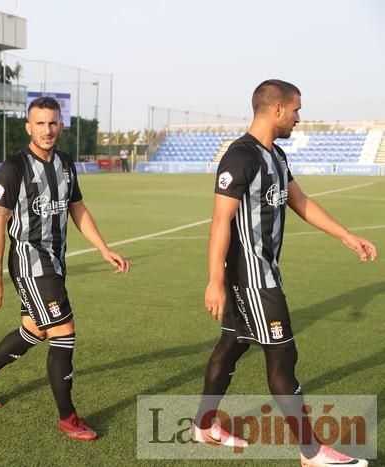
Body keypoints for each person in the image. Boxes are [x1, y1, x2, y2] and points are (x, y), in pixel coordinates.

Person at [191, 80, 377, 466]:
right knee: (283, 356)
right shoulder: (240, 156)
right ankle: (311, 452)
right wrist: (214, 279)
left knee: (232, 344)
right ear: (276, 110)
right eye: (295, 110)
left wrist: (346, 235)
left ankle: (203, 426)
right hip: (252, 278)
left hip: (265, 273)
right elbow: (220, 221)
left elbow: (300, 201)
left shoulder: (276, 156)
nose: (298, 118)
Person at [0, 96, 130, 441]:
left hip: (55, 261)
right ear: (28, 127)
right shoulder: (14, 168)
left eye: (53, 123)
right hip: (29, 261)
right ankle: (67, 417)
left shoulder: (66, 165)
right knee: (64, 333)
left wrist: (104, 249)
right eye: (40, 123)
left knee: (35, 330)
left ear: (61, 126)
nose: (47, 129)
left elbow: (78, 209)